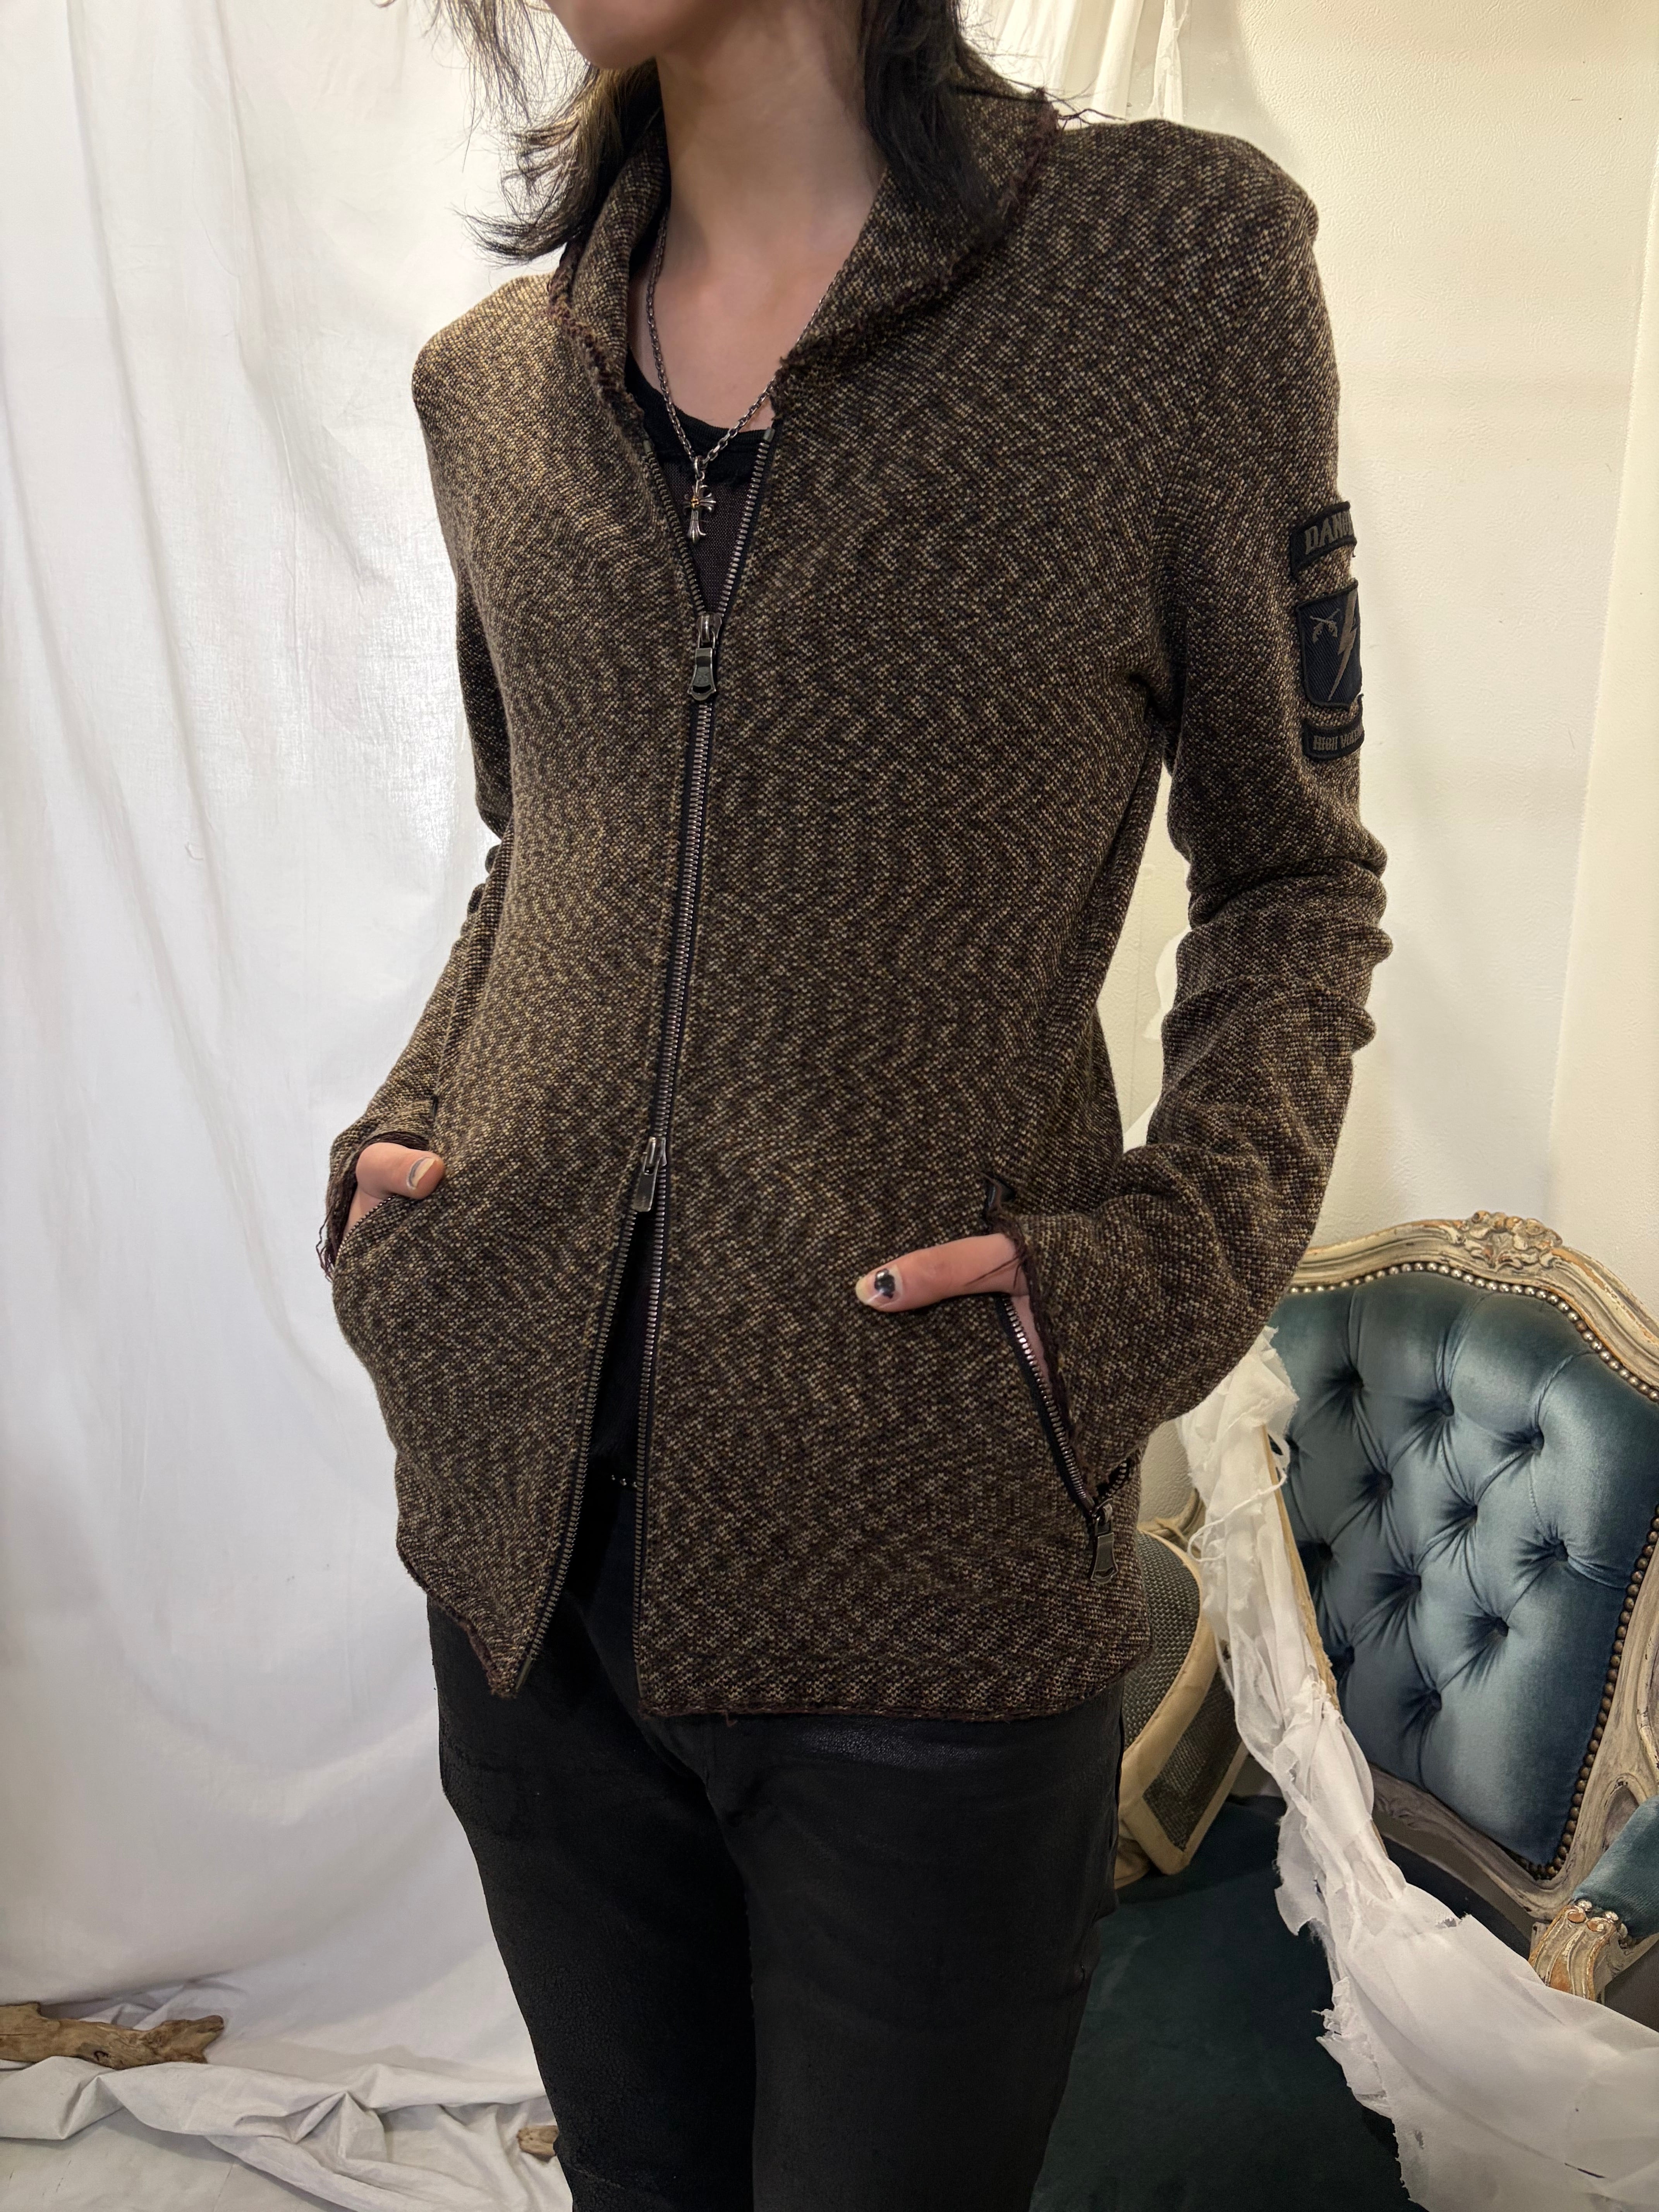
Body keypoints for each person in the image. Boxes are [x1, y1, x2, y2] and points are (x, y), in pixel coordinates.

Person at [319, 2, 1389, 2205]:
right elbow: (549, 849)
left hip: (928, 1547)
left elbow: (1295, 880)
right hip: (524, 1541)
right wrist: (411, 1153)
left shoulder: (1170, 275)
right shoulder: (489, 388)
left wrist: (1147, 1280)